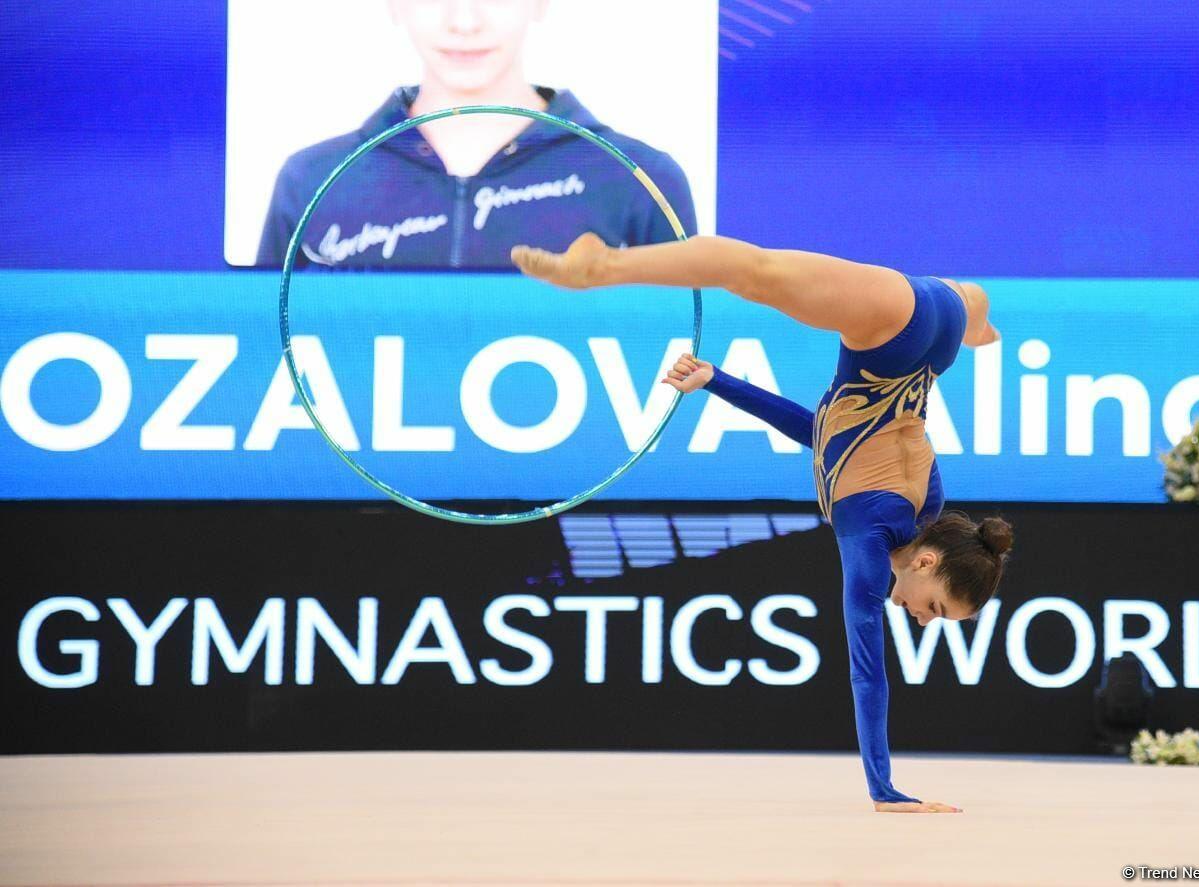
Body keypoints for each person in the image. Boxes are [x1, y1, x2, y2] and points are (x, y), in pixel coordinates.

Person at [511, 232, 1014, 814]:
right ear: (927, 562)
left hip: (939, 327)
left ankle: (977, 319)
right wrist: (884, 789)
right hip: (892, 334)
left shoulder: (929, 504)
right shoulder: (866, 539)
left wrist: (717, 381)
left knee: (968, 300)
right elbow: (868, 675)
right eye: (937, 608)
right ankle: (600, 266)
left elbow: (825, 434)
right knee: (753, 272)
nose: (923, 621)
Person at [256, 0, 695, 269]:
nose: (464, 21)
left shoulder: (640, 182)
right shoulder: (313, 182)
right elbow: (262, 357)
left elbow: (685, 369)